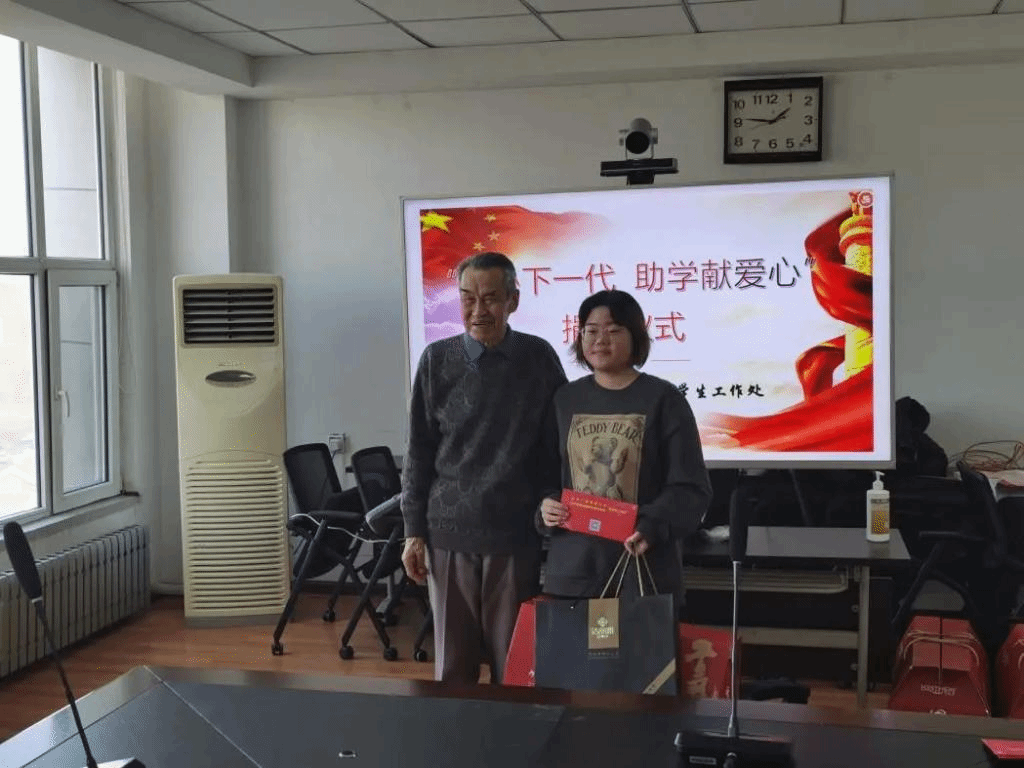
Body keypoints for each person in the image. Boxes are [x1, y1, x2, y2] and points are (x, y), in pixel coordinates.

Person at [401, 251, 567, 685]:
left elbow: (556, 447)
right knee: (453, 666)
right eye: (468, 298)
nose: (478, 310)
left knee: (513, 663)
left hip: (513, 533)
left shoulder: (538, 357)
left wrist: (551, 501)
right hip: (448, 532)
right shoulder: (436, 359)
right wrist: (413, 532)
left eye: (491, 298)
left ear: (513, 300)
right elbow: (419, 451)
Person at [539, 289, 711, 603]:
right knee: (571, 639)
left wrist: (652, 526)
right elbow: (543, 475)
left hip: (642, 568)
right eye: (591, 331)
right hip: (574, 572)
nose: (600, 340)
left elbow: (690, 487)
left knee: (642, 638)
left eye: (613, 330)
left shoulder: (664, 399)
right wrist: (546, 506)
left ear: (635, 336)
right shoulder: (564, 400)